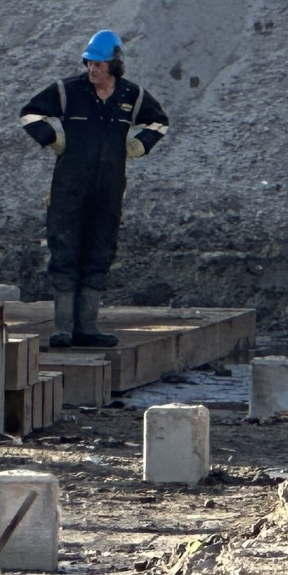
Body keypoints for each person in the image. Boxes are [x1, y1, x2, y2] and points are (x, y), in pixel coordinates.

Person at [20, 30, 170, 349]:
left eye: (99, 65)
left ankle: (87, 325)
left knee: (100, 251)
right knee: (64, 251)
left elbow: (160, 123)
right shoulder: (67, 91)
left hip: (108, 190)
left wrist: (141, 145)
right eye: (89, 63)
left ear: (114, 65)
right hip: (68, 189)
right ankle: (63, 327)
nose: (92, 70)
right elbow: (29, 114)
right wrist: (51, 137)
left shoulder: (133, 96)